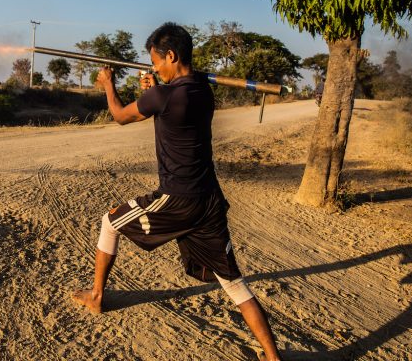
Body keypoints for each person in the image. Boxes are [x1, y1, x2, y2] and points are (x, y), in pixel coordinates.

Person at [72, 23, 283, 361]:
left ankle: (97, 295)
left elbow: (119, 116)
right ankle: (273, 358)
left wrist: (109, 86)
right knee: (232, 282)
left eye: (156, 61)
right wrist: (155, 88)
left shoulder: (162, 96)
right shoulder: (201, 90)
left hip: (177, 198)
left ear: (170, 55)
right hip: (209, 199)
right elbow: (170, 107)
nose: (154, 67)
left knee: (109, 222)